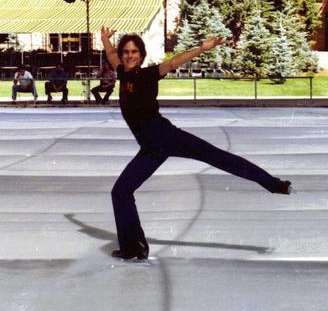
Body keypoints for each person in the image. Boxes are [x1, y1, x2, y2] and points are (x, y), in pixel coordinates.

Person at [101, 27, 293, 261]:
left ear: (141, 56)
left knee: (218, 157)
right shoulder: (122, 73)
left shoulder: (149, 74)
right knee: (120, 191)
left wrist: (202, 49)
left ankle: (274, 184)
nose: (129, 55)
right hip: (150, 148)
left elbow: (173, 63)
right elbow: (111, 56)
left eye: (134, 52)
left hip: (165, 136)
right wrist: (105, 41)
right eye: (125, 52)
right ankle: (134, 246)